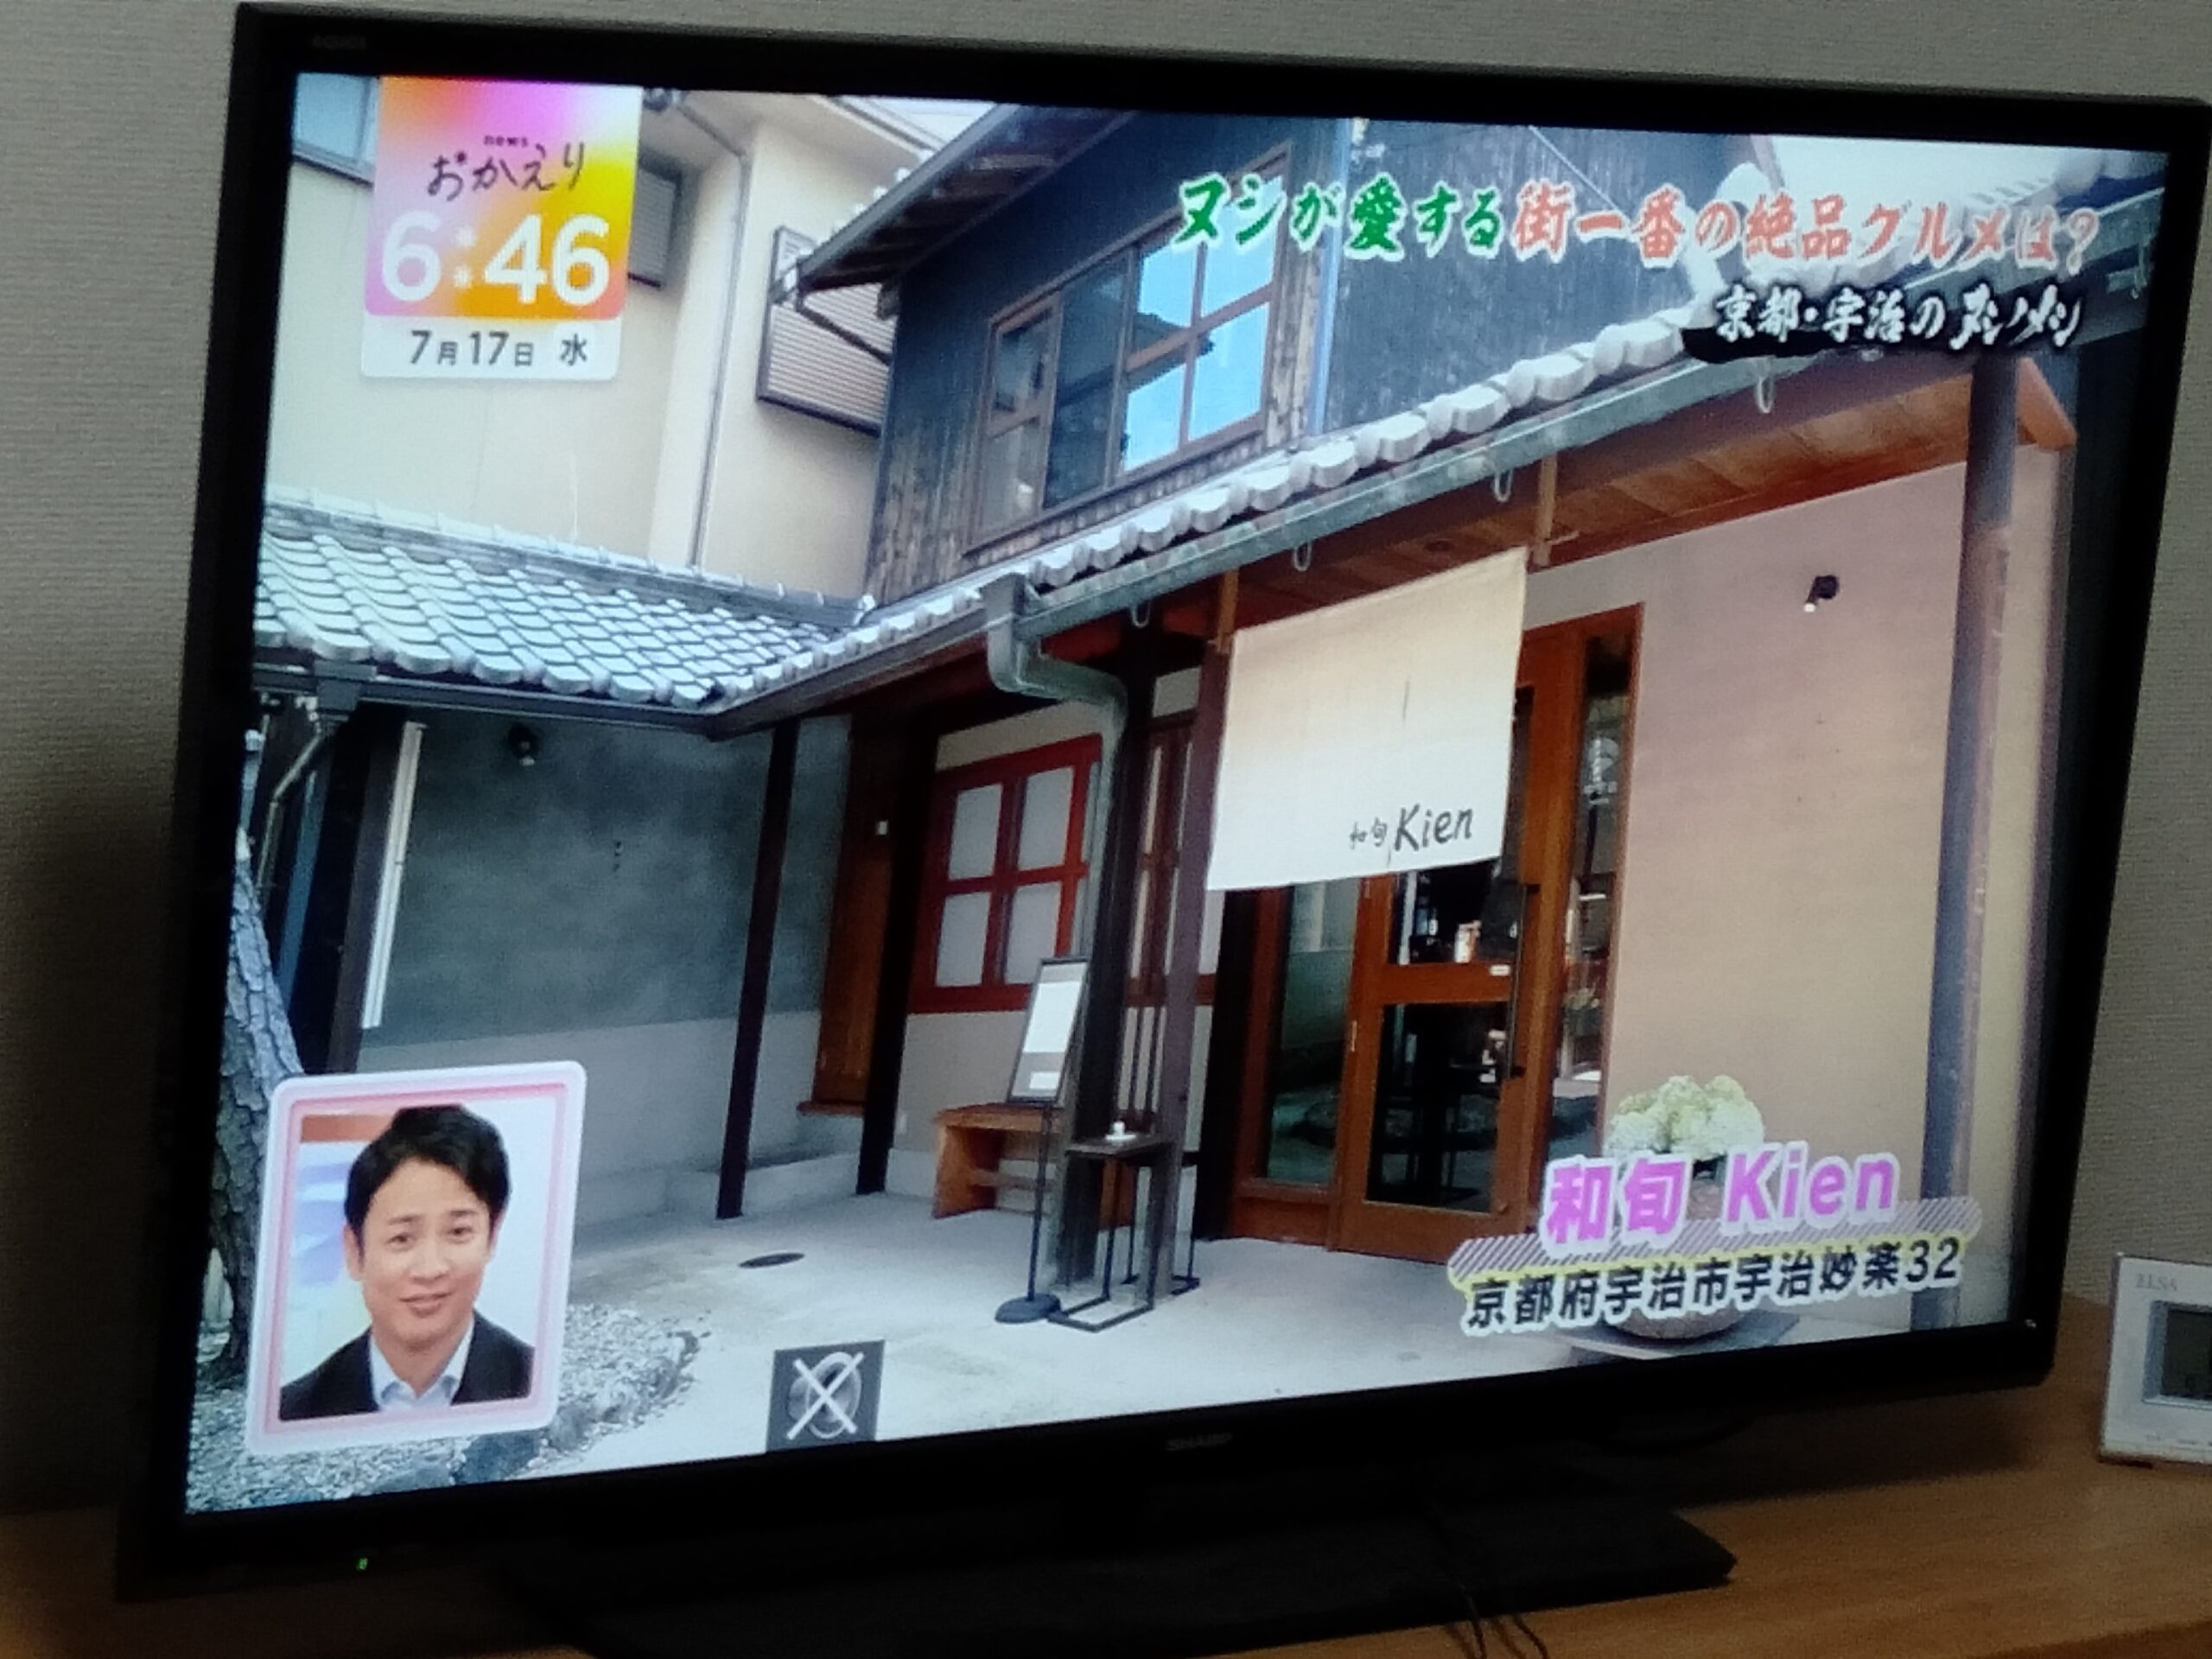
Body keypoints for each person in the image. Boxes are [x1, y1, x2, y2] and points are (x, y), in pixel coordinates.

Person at [278, 1104, 534, 1421]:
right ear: (355, 1251)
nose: (430, 1269)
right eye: (401, 1238)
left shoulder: (534, 1383)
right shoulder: (296, 1410)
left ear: (492, 1236)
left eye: (458, 1232)